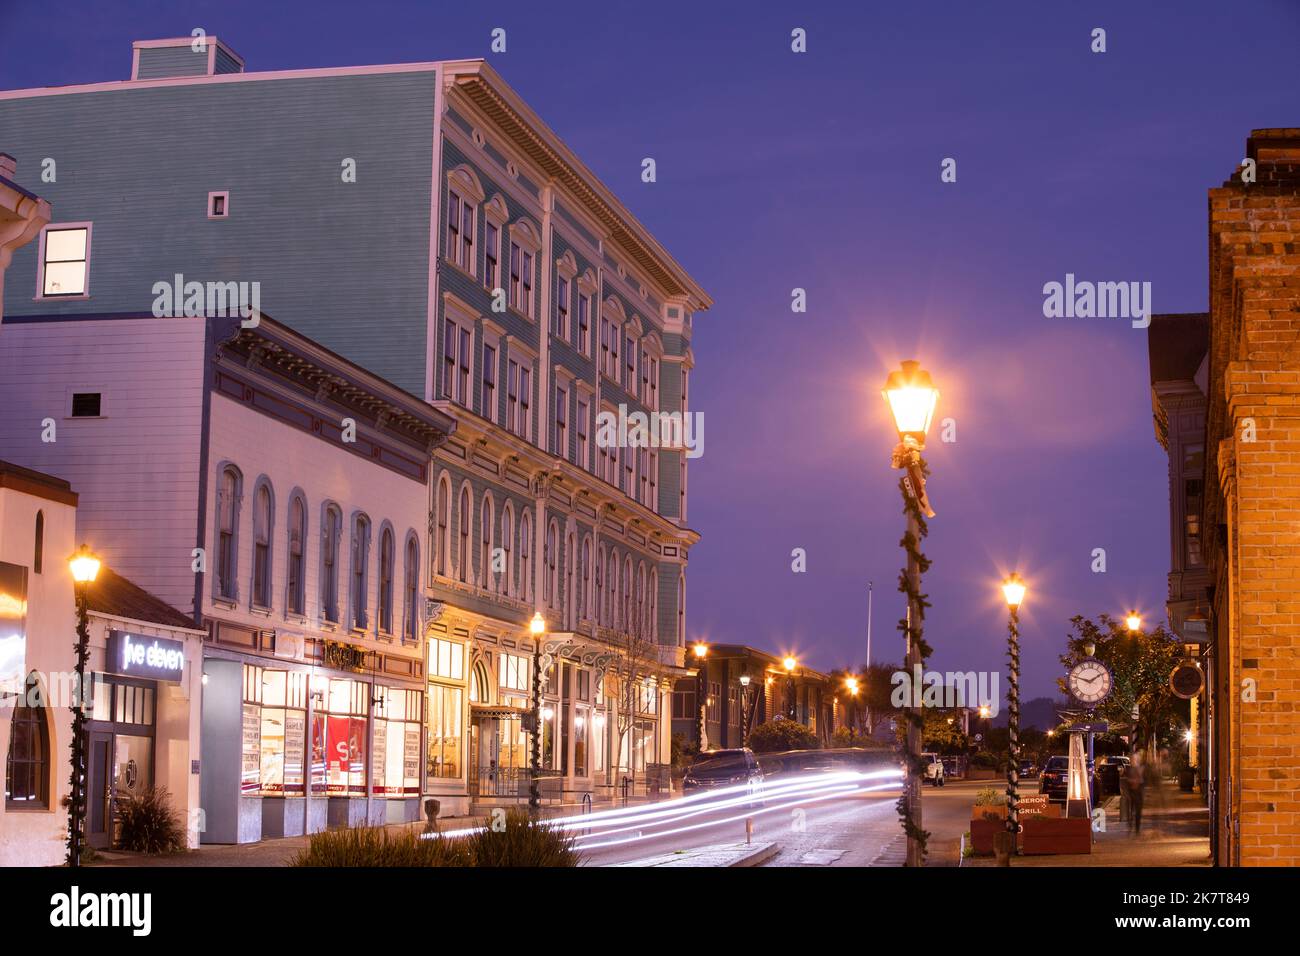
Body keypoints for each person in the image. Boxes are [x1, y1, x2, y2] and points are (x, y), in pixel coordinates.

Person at [1122, 751, 1146, 834]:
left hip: (1139, 793)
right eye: (1132, 759)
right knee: (1131, 811)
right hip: (1131, 793)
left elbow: (1143, 781)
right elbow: (1124, 780)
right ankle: (1131, 827)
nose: (1133, 761)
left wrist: (1137, 781)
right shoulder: (1128, 769)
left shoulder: (1140, 768)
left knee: (1138, 812)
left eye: (1135, 759)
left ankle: (1137, 829)